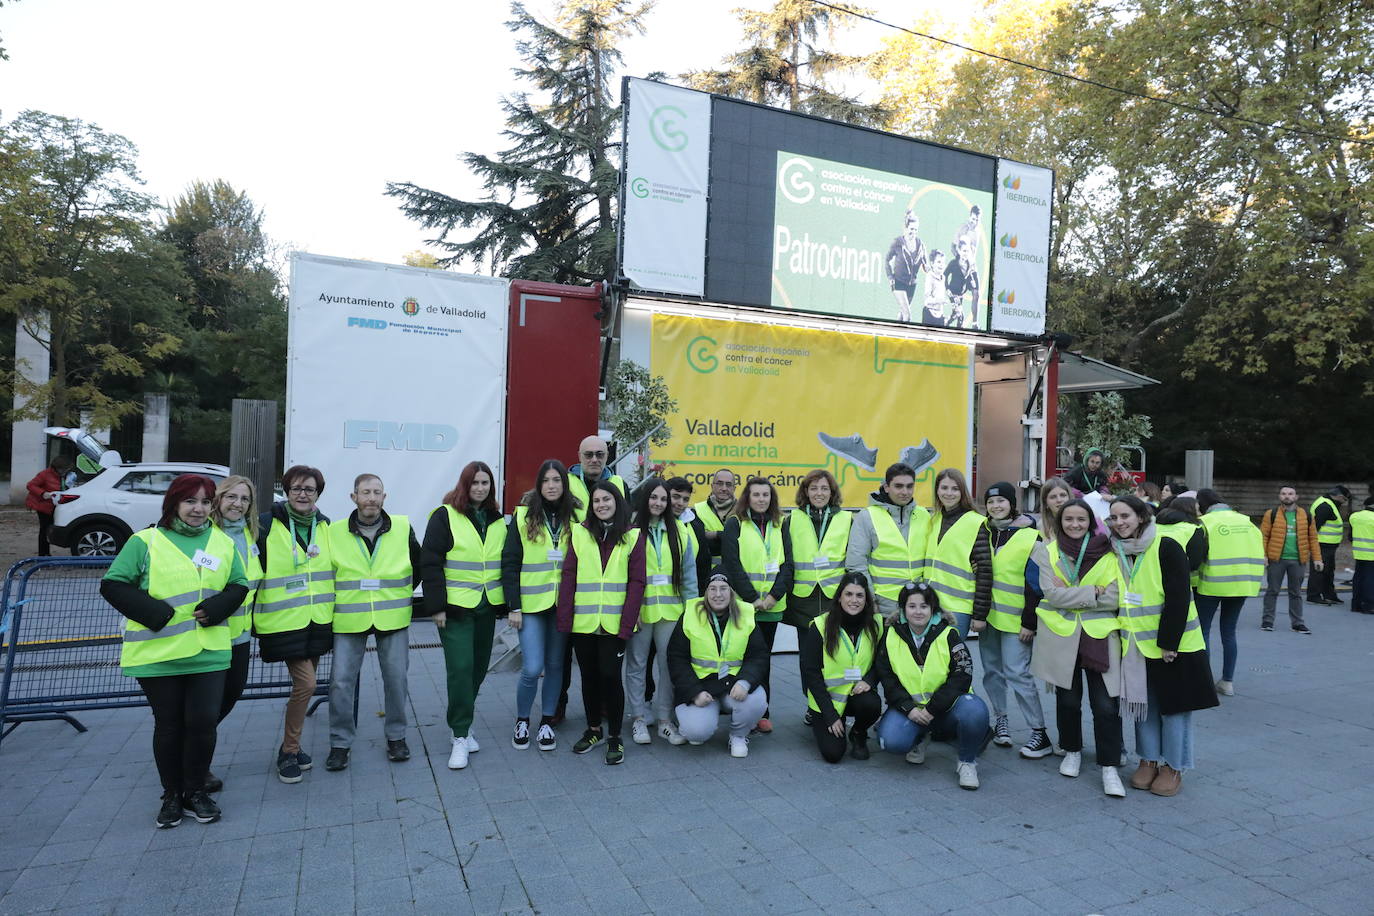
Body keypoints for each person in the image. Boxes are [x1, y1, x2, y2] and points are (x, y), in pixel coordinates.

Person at [100, 474, 248, 828]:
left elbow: (239, 583)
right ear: (174, 504)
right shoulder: (145, 541)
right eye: (190, 501)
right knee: (169, 726)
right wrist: (153, 612)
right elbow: (113, 584)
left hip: (208, 651)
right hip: (159, 654)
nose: (198, 509)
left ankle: (195, 791)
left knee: (201, 724)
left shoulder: (222, 542)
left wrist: (220, 606)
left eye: (205, 502)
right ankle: (171, 794)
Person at [1107, 495, 1217, 798]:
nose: (1119, 523)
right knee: (1145, 706)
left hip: (1173, 646)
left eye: (1125, 516)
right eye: (1114, 518)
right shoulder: (1116, 550)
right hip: (1135, 645)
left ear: (1141, 516)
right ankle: (1148, 759)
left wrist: (1169, 643)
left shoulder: (1165, 545)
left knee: (1174, 709)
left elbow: (1179, 597)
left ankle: (1173, 766)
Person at [323, 474, 421, 771]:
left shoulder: (403, 527)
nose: (371, 498)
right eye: (365, 492)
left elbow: (418, 566)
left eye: (376, 492)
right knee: (341, 682)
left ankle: (396, 737)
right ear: (354, 497)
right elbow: (327, 573)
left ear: (384, 497)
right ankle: (340, 743)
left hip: (392, 617)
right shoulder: (334, 531)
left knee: (396, 680)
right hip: (349, 618)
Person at [1029, 498, 1126, 797]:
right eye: (1068, 519)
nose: (1074, 525)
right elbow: (1050, 594)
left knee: (1106, 705)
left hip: (1100, 635)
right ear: (1060, 522)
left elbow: (1115, 597)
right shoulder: (1047, 551)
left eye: (1080, 520)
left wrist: (1073, 593)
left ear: (1090, 522)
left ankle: (1108, 766)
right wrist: (1092, 593)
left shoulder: (1110, 551)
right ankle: (1071, 750)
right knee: (1068, 700)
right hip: (1062, 635)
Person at [422, 461, 507, 770]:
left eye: (485, 483)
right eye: (475, 483)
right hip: (456, 608)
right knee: (460, 668)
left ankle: (463, 722)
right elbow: (430, 561)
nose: (480, 488)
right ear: (464, 484)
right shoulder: (445, 515)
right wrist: (436, 607)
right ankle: (459, 735)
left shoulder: (498, 520)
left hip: (487, 606)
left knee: (478, 670)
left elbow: (504, 563)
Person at [555, 479, 645, 765]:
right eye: (597, 501)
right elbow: (568, 577)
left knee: (610, 675)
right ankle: (593, 729)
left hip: (614, 624)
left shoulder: (632, 536)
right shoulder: (579, 534)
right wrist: (565, 620)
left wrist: (627, 623)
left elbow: (637, 582)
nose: (602, 505)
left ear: (617, 503)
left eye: (607, 500)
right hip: (583, 622)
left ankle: (615, 736)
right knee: (590, 677)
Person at [255, 465, 334, 785]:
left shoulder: (326, 526)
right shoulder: (265, 524)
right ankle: (288, 751)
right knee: (307, 685)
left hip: (317, 620)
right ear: (286, 491)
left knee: (303, 687)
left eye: (310, 489)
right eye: (297, 488)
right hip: (283, 621)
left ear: (318, 494)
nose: (303, 494)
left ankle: (293, 746)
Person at [875, 581, 990, 790]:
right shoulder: (890, 635)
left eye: (924, 606)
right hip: (910, 709)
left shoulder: (949, 634)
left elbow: (962, 676)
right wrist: (909, 709)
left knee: (975, 711)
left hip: (945, 708)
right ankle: (920, 737)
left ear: (933, 609)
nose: (918, 612)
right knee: (890, 741)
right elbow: (887, 678)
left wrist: (932, 709)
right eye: (912, 606)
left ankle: (967, 761)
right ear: (902, 609)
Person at [499, 459, 577, 751]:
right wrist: (513, 606)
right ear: (539, 484)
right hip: (530, 606)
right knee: (532, 668)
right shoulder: (522, 517)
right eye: (546, 481)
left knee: (556, 666)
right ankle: (522, 720)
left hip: (563, 605)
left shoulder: (576, 517)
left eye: (557, 480)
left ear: (564, 484)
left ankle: (546, 721)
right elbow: (510, 563)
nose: (552, 486)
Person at [973, 482, 1051, 758]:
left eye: (1001, 501)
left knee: (1018, 675)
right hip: (989, 619)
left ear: (1011, 503)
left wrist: (1030, 622)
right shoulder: (983, 532)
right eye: (991, 502)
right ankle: (1001, 720)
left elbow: (1036, 585)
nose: (996, 506)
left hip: (1017, 622)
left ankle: (1038, 732)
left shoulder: (1031, 537)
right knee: (992, 673)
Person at [624, 477, 698, 746]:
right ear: (645, 499)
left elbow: (689, 576)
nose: (658, 503)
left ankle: (665, 719)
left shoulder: (680, 531)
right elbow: (624, 574)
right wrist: (630, 610)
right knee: (636, 665)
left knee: (669, 666)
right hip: (641, 611)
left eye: (663, 499)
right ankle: (638, 719)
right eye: (653, 497)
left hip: (671, 611)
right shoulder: (631, 529)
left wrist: (691, 611)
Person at [667, 570, 769, 757]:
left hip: (734, 685)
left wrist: (745, 682)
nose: (718, 594)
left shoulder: (745, 613)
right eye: (712, 589)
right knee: (696, 734)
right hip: (702, 687)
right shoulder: (691, 614)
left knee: (757, 700)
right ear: (705, 593)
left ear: (731, 592)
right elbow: (676, 657)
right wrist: (693, 692)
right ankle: (691, 721)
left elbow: (759, 655)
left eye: (723, 589)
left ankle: (738, 736)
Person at [720, 476, 793, 733]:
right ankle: (739, 708)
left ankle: (763, 711)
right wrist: (752, 598)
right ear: (747, 498)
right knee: (742, 658)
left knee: (764, 660)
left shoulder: (780, 523)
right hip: (743, 606)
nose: (762, 499)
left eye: (766, 495)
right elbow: (732, 564)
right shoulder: (735, 524)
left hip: (772, 607)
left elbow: (787, 565)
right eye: (756, 495)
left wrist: (773, 596)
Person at [206, 475, 263, 793]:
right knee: (207, 706)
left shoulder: (249, 534)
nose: (237, 504)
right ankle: (197, 766)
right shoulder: (205, 534)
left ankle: (192, 751)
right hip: (209, 636)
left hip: (239, 637)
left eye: (244, 499)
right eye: (231, 497)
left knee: (229, 697)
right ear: (218, 498)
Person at [799, 572, 882, 762]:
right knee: (833, 754)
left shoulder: (876, 625)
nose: (854, 600)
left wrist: (869, 680)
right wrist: (830, 715)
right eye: (849, 594)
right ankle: (829, 722)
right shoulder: (820, 626)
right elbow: (811, 673)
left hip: (857, 695)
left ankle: (858, 733)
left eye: (860, 595)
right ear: (839, 597)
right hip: (828, 700)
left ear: (867, 599)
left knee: (872, 704)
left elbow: (882, 662)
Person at [1192, 488, 1266, 698]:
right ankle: (1227, 681)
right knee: (1229, 632)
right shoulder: (1247, 522)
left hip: (1212, 584)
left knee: (1202, 632)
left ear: (1202, 505)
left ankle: (1203, 683)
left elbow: (1197, 556)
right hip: (1242, 584)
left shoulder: (1205, 523)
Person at [846, 462, 930, 622]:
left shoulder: (924, 515)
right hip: (883, 607)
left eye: (909, 486)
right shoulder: (867, 516)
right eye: (898, 486)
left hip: (919, 606)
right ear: (886, 487)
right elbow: (856, 565)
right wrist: (870, 601)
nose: (905, 492)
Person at [783, 469, 853, 633]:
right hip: (802, 600)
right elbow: (786, 560)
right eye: (814, 488)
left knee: (834, 651)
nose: (819, 493)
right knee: (807, 652)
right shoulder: (792, 519)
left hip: (835, 597)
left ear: (832, 492)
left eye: (824, 488)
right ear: (806, 492)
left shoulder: (846, 519)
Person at [926, 468, 989, 638]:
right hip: (929, 603)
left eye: (955, 489)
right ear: (937, 490)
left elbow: (984, 572)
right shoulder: (934, 519)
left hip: (958, 607)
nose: (949, 493)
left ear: (963, 492)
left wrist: (979, 615)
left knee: (952, 660)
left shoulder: (976, 522)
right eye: (944, 488)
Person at [1259, 486, 1322, 634]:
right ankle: (1267, 621)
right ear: (1279, 497)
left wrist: (1317, 559)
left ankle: (1297, 623)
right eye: (1283, 494)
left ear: (1296, 497)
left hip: (1298, 560)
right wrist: (1263, 555)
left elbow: (1313, 538)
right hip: (1277, 559)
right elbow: (1263, 535)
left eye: (1290, 494)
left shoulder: (1306, 515)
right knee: (1272, 591)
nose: (1287, 496)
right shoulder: (1271, 514)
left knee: (1296, 593)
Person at [566, 435, 627, 522]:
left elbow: (626, 519)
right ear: (579, 456)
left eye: (600, 455)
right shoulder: (565, 483)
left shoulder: (620, 484)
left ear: (607, 456)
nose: (594, 459)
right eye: (588, 455)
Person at [668, 476, 710, 594]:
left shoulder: (696, 524)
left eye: (685, 499)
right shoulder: (650, 524)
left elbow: (703, 565)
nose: (680, 503)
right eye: (676, 497)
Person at [1307, 486, 1350, 605]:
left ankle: (1329, 595)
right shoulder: (1325, 506)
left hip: (1328, 545)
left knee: (1328, 571)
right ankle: (1313, 595)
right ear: (1340, 497)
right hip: (1322, 544)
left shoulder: (1328, 503)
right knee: (1319, 570)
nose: (1344, 503)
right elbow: (1314, 528)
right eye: (1344, 500)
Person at [884, 208, 927, 323]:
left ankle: (894, 334)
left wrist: (928, 268)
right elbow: (887, 260)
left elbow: (926, 265)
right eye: (911, 229)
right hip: (898, 282)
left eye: (916, 230)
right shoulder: (898, 242)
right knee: (908, 314)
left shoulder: (920, 244)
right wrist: (890, 277)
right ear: (906, 228)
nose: (913, 232)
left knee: (903, 313)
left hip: (912, 285)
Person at [25, 455, 72, 556]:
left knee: (48, 529)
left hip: (52, 506)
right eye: (65, 469)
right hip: (43, 506)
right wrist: (43, 493)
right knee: (44, 530)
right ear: (58, 468)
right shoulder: (44, 474)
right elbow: (30, 485)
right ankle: (43, 554)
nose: (66, 471)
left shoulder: (62, 476)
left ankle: (45, 553)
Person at [693, 469, 736, 560]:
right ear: (712, 486)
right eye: (720, 483)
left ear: (734, 488)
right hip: (707, 572)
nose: (724, 488)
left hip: (737, 572)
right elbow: (695, 539)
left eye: (728, 484)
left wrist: (713, 535)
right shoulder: (697, 510)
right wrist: (720, 535)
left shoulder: (743, 512)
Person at [943, 236, 979, 328]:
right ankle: (958, 330)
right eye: (963, 251)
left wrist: (972, 283)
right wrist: (946, 288)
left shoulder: (969, 265)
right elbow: (944, 275)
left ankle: (946, 322)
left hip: (960, 294)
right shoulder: (953, 263)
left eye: (967, 251)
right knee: (960, 315)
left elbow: (969, 279)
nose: (965, 253)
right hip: (952, 293)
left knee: (956, 314)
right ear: (959, 251)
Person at [1349, 495, 1374, 614]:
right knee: (1370, 580)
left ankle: (1356, 605)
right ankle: (1369, 605)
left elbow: (1350, 536)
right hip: (1372, 554)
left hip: (1359, 553)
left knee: (1358, 578)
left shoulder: (1354, 516)